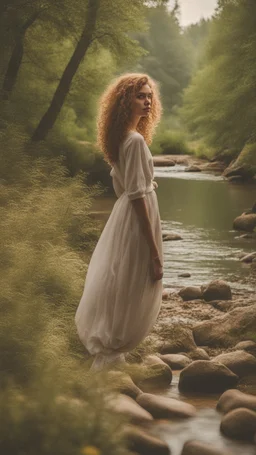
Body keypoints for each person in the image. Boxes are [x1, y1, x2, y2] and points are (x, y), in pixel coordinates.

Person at [75, 73, 163, 370]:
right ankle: (114, 351)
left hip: (123, 215)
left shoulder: (120, 136)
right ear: (126, 101)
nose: (148, 101)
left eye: (149, 95)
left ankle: (110, 350)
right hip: (136, 218)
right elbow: (137, 194)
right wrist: (154, 249)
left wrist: (145, 188)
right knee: (135, 278)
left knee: (120, 277)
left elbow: (122, 187)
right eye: (141, 96)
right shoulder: (135, 140)